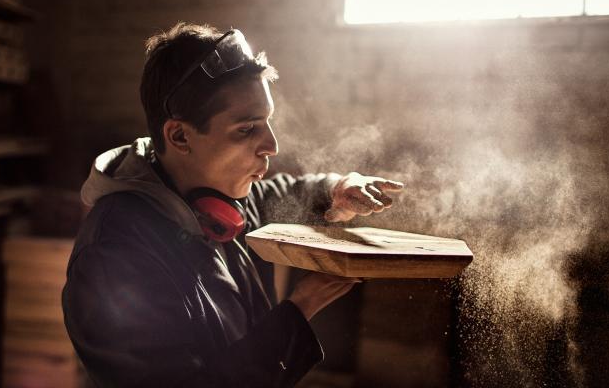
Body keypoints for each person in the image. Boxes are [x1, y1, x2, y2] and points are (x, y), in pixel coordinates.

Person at [61, 22, 404, 388]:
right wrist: (299, 310)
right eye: (246, 129)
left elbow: (278, 195)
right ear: (179, 135)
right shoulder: (115, 256)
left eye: (267, 122)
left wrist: (335, 189)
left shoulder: (217, 196)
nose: (271, 145)